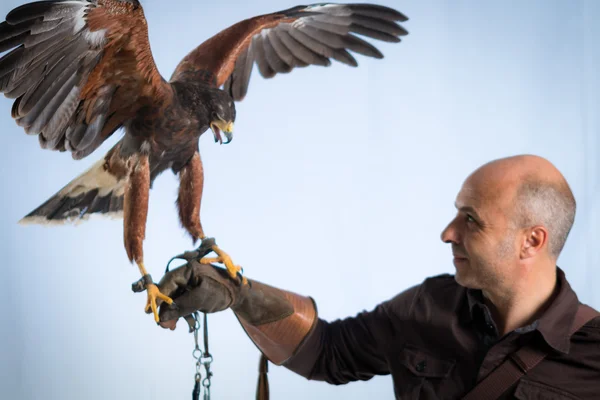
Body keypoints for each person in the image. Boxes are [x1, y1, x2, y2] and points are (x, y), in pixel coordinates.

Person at [155, 154, 600, 399]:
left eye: (471, 219)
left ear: (532, 241)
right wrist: (238, 293)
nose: (448, 233)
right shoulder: (429, 304)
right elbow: (325, 352)